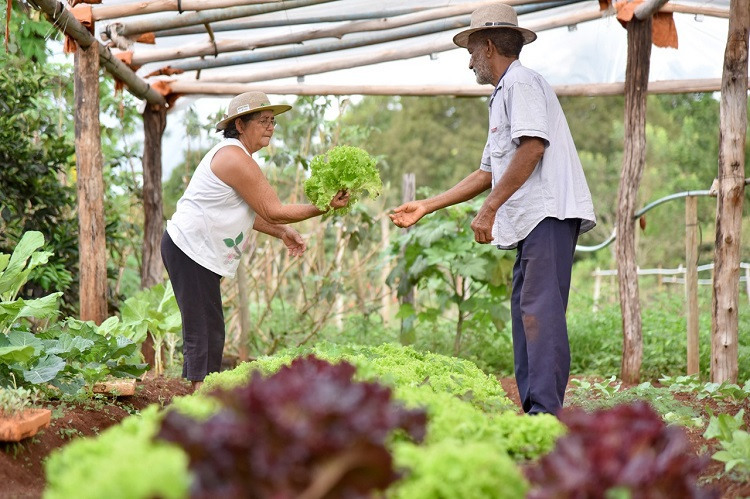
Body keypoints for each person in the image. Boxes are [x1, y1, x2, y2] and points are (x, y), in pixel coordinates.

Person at [389, 3, 596, 415]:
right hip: (533, 220)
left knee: (540, 314)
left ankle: (543, 415)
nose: (470, 64)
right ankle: (535, 411)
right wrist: (427, 205)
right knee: (527, 313)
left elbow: (533, 147)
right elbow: (487, 171)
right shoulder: (504, 94)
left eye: (470, 52)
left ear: (487, 47)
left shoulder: (520, 84)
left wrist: (489, 210)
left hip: (548, 214)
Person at [161, 91, 349, 392]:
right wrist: (324, 205)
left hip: (196, 250)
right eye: (263, 121)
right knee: (203, 328)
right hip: (189, 248)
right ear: (240, 124)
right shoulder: (234, 158)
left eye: (272, 121)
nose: (271, 127)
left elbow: (250, 212)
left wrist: (281, 232)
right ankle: (198, 396)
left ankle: (203, 392)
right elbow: (273, 209)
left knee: (211, 327)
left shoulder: (237, 156)